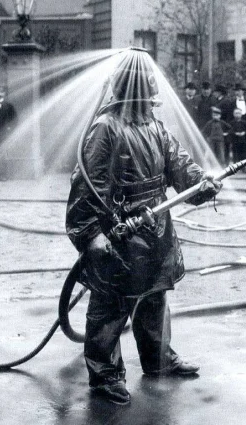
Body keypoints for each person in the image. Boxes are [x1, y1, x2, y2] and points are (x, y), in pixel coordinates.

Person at [65, 50, 222, 405]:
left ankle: (158, 359)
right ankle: (104, 374)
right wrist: (90, 236)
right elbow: (86, 187)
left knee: (154, 297)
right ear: (127, 87)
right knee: (111, 303)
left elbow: (179, 165)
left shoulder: (155, 126)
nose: (149, 92)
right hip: (120, 229)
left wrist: (201, 183)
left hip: (156, 228)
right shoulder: (105, 129)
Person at [213, 84, 235, 164]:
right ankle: (221, 162)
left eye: (216, 92)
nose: (214, 93)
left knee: (225, 145)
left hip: (224, 126)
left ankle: (226, 162)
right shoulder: (219, 100)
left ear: (220, 93)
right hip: (219, 126)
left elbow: (228, 114)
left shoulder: (226, 101)